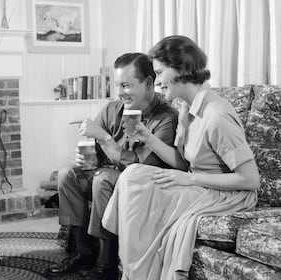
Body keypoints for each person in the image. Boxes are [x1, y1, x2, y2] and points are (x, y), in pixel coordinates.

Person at [102, 35, 260, 280]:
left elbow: (250, 180)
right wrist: (149, 138)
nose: (157, 82)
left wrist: (191, 180)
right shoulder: (187, 108)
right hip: (199, 183)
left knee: (140, 190)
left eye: (160, 72)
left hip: (227, 194)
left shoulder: (216, 115)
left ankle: (134, 274)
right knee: (133, 175)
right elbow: (183, 163)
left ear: (180, 69)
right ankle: (136, 270)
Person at [46, 53, 178, 280]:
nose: (120, 92)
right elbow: (92, 148)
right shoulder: (112, 109)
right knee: (67, 174)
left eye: (126, 85)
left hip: (143, 183)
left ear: (148, 83)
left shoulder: (166, 118)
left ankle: (106, 263)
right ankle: (83, 251)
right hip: (109, 177)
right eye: (117, 85)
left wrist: (105, 139)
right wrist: (84, 155)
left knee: (103, 179)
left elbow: (139, 166)